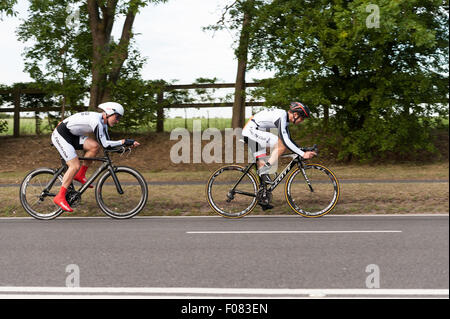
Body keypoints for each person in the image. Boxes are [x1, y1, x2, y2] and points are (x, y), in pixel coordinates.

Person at [51, 102, 140, 212]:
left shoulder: (103, 124)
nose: (117, 121)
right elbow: (106, 145)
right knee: (74, 165)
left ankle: (80, 175)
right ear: (109, 113)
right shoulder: (97, 122)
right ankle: (60, 196)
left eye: (119, 119)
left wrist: (125, 145)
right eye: (117, 117)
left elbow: (107, 146)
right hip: (61, 135)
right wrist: (124, 141)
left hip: (71, 135)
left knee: (94, 147)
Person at [241, 102, 317, 209]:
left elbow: (289, 139)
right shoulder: (281, 116)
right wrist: (303, 154)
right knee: (281, 145)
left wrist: (302, 149)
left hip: (252, 130)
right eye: (302, 118)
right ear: (295, 114)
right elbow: (285, 141)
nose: (302, 121)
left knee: (263, 164)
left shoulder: (284, 119)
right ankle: (265, 170)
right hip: (251, 131)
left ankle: (263, 198)